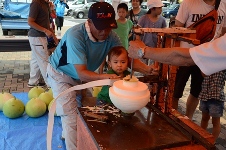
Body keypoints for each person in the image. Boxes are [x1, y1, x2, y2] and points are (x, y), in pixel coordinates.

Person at [46, 2, 153, 149]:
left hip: (78, 76)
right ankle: (72, 144)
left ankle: (68, 134)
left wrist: (147, 69)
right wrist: (106, 78)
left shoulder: (111, 37)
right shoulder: (75, 35)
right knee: (71, 116)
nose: (104, 31)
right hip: (59, 74)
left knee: (77, 110)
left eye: (108, 26)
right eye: (100, 26)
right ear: (89, 22)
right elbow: (82, 73)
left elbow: (124, 58)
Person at [172, 0, 226, 120]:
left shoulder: (224, 4)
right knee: (175, 91)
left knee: (196, 92)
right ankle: (173, 120)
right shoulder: (188, 3)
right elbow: (177, 29)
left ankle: (188, 119)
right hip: (185, 55)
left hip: (206, 58)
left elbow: (223, 32)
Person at [27, 0, 58, 88]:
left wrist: (54, 37)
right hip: (37, 37)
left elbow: (48, 23)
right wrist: (45, 30)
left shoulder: (46, 4)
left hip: (42, 36)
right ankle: (51, 85)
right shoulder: (36, 3)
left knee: (36, 60)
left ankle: (33, 82)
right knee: (44, 60)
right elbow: (30, 21)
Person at [198, 70, 226, 143]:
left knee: (215, 122)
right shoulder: (207, 63)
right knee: (204, 118)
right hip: (204, 95)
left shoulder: (223, 65)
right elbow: (203, 74)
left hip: (216, 97)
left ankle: (211, 142)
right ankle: (201, 136)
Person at [138, 0, 166, 65]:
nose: (161, 10)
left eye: (161, 8)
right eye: (159, 8)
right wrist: (139, 45)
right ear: (152, 9)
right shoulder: (143, 19)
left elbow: (164, 33)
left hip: (156, 49)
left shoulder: (162, 20)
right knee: (143, 67)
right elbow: (138, 33)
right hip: (143, 48)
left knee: (154, 68)